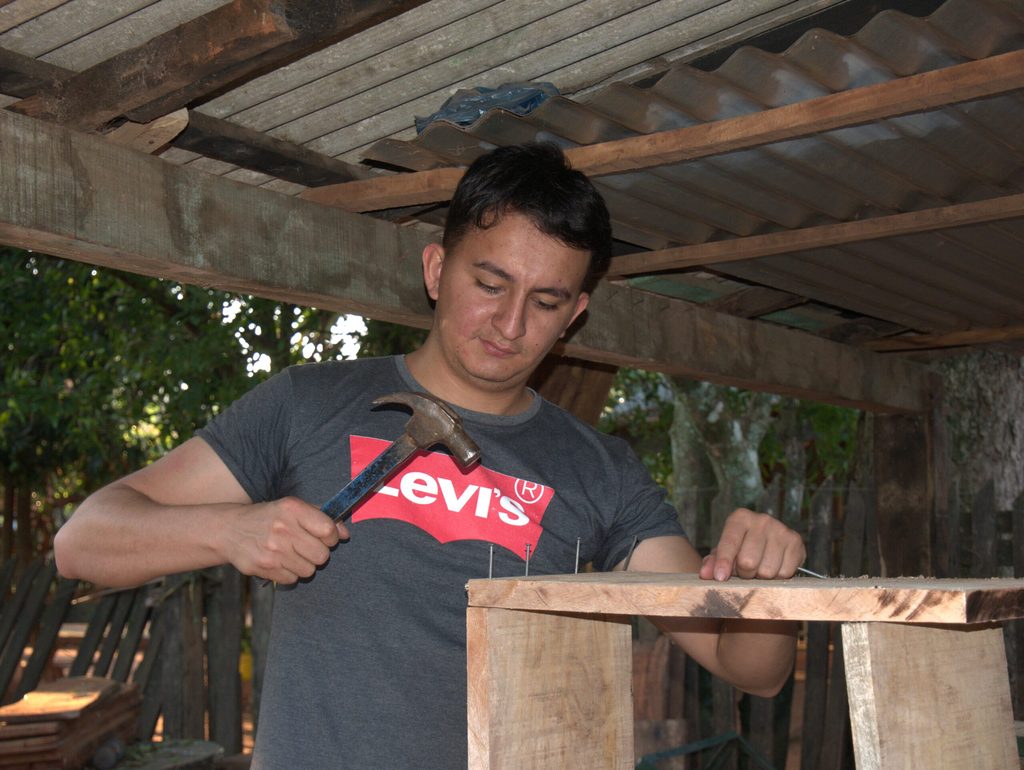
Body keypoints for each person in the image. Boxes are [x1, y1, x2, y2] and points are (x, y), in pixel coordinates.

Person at [54, 143, 805, 768]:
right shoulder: (307, 405)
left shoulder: (599, 472)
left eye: (545, 302)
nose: (509, 324)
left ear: (575, 315)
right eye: (489, 283)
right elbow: (83, 540)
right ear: (436, 270)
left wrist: (761, 587)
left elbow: (752, 670)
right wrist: (230, 529)